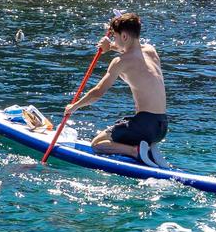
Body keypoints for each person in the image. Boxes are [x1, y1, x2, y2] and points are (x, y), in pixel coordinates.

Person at [65, 12, 168, 166]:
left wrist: (74, 107)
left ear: (124, 36)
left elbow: (98, 93)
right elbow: (131, 50)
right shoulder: (151, 50)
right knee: (130, 126)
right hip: (161, 127)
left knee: (97, 144)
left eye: (115, 36)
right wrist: (111, 46)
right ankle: (149, 147)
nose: (114, 40)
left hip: (144, 125)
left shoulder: (120, 62)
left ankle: (136, 151)